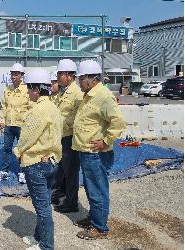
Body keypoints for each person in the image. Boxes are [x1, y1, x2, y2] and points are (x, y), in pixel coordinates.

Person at [72, 60, 126, 240]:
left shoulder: (104, 96)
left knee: (98, 190)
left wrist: (105, 140)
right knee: (90, 188)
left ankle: (100, 228)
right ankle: (95, 218)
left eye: (81, 79)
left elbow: (118, 123)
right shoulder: (88, 95)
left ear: (92, 78)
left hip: (96, 154)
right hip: (86, 151)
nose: (79, 82)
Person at [13, 69, 62, 250]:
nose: (26, 92)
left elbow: (27, 138)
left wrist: (17, 152)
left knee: (42, 209)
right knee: (44, 203)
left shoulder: (38, 110)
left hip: (36, 164)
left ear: (35, 89)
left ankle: (46, 246)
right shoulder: (53, 107)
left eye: (28, 88)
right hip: (51, 161)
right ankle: (37, 237)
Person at [51, 59, 84, 214]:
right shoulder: (61, 92)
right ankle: (61, 194)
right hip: (60, 136)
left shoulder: (76, 93)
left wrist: (59, 123)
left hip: (70, 137)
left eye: (60, 74)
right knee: (61, 169)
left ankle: (72, 203)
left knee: (71, 172)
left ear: (70, 76)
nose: (58, 76)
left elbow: (75, 117)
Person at [0, 63, 31, 184]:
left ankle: (22, 172)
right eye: (12, 74)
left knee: (22, 149)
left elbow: (31, 107)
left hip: (22, 125)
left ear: (21, 76)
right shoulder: (7, 90)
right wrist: (2, 120)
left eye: (16, 74)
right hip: (9, 124)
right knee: (7, 148)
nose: (13, 76)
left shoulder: (26, 90)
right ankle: (4, 171)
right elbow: (3, 106)